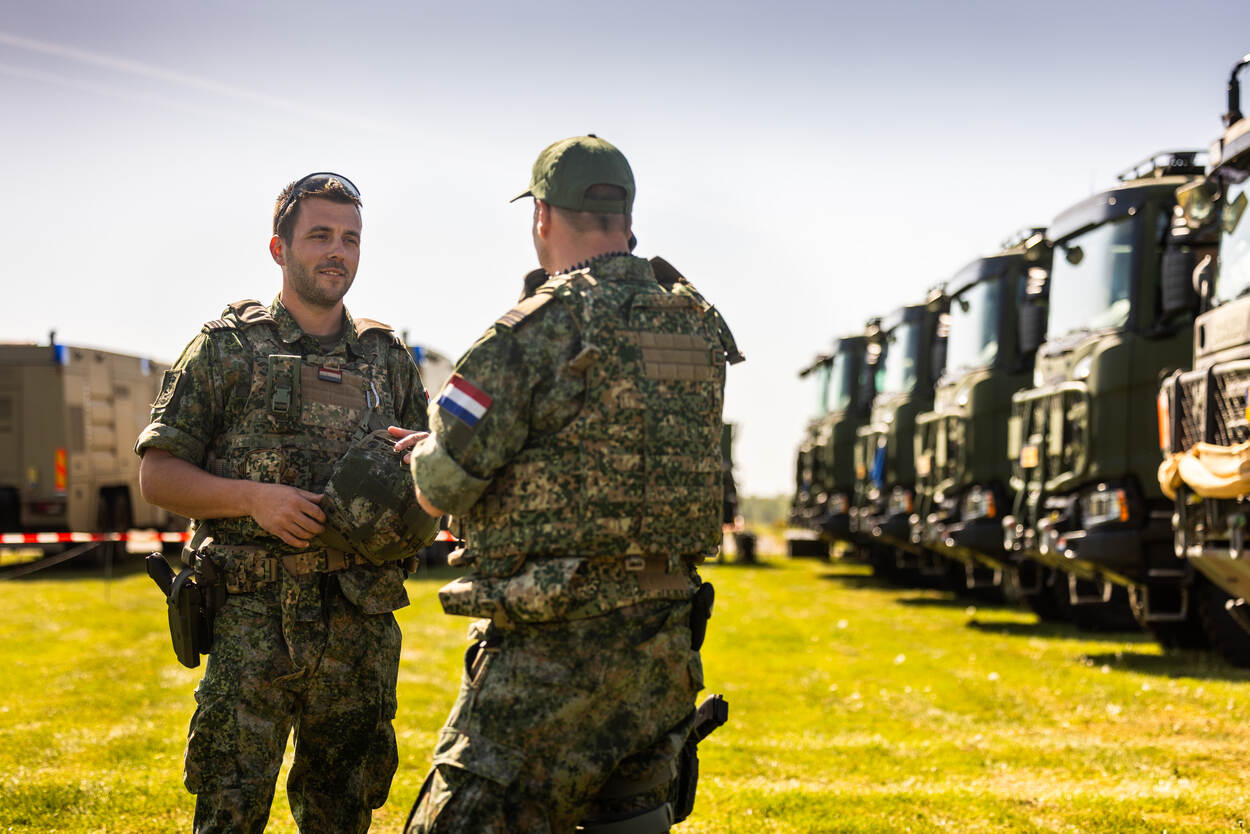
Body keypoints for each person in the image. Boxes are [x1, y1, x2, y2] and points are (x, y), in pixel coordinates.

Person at [398, 135, 741, 833]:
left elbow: (439, 485)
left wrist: (416, 455)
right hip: (662, 650)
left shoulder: (535, 330)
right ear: (627, 218)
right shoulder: (698, 325)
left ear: (543, 218)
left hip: (550, 657)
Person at [135, 172, 429, 833]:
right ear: (278, 249)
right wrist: (253, 500)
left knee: (342, 816)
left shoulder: (388, 360)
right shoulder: (226, 349)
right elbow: (158, 475)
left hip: (357, 629)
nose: (338, 252)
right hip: (248, 626)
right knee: (229, 815)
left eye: (351, 238)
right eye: (320, 235)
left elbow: (427, 476)